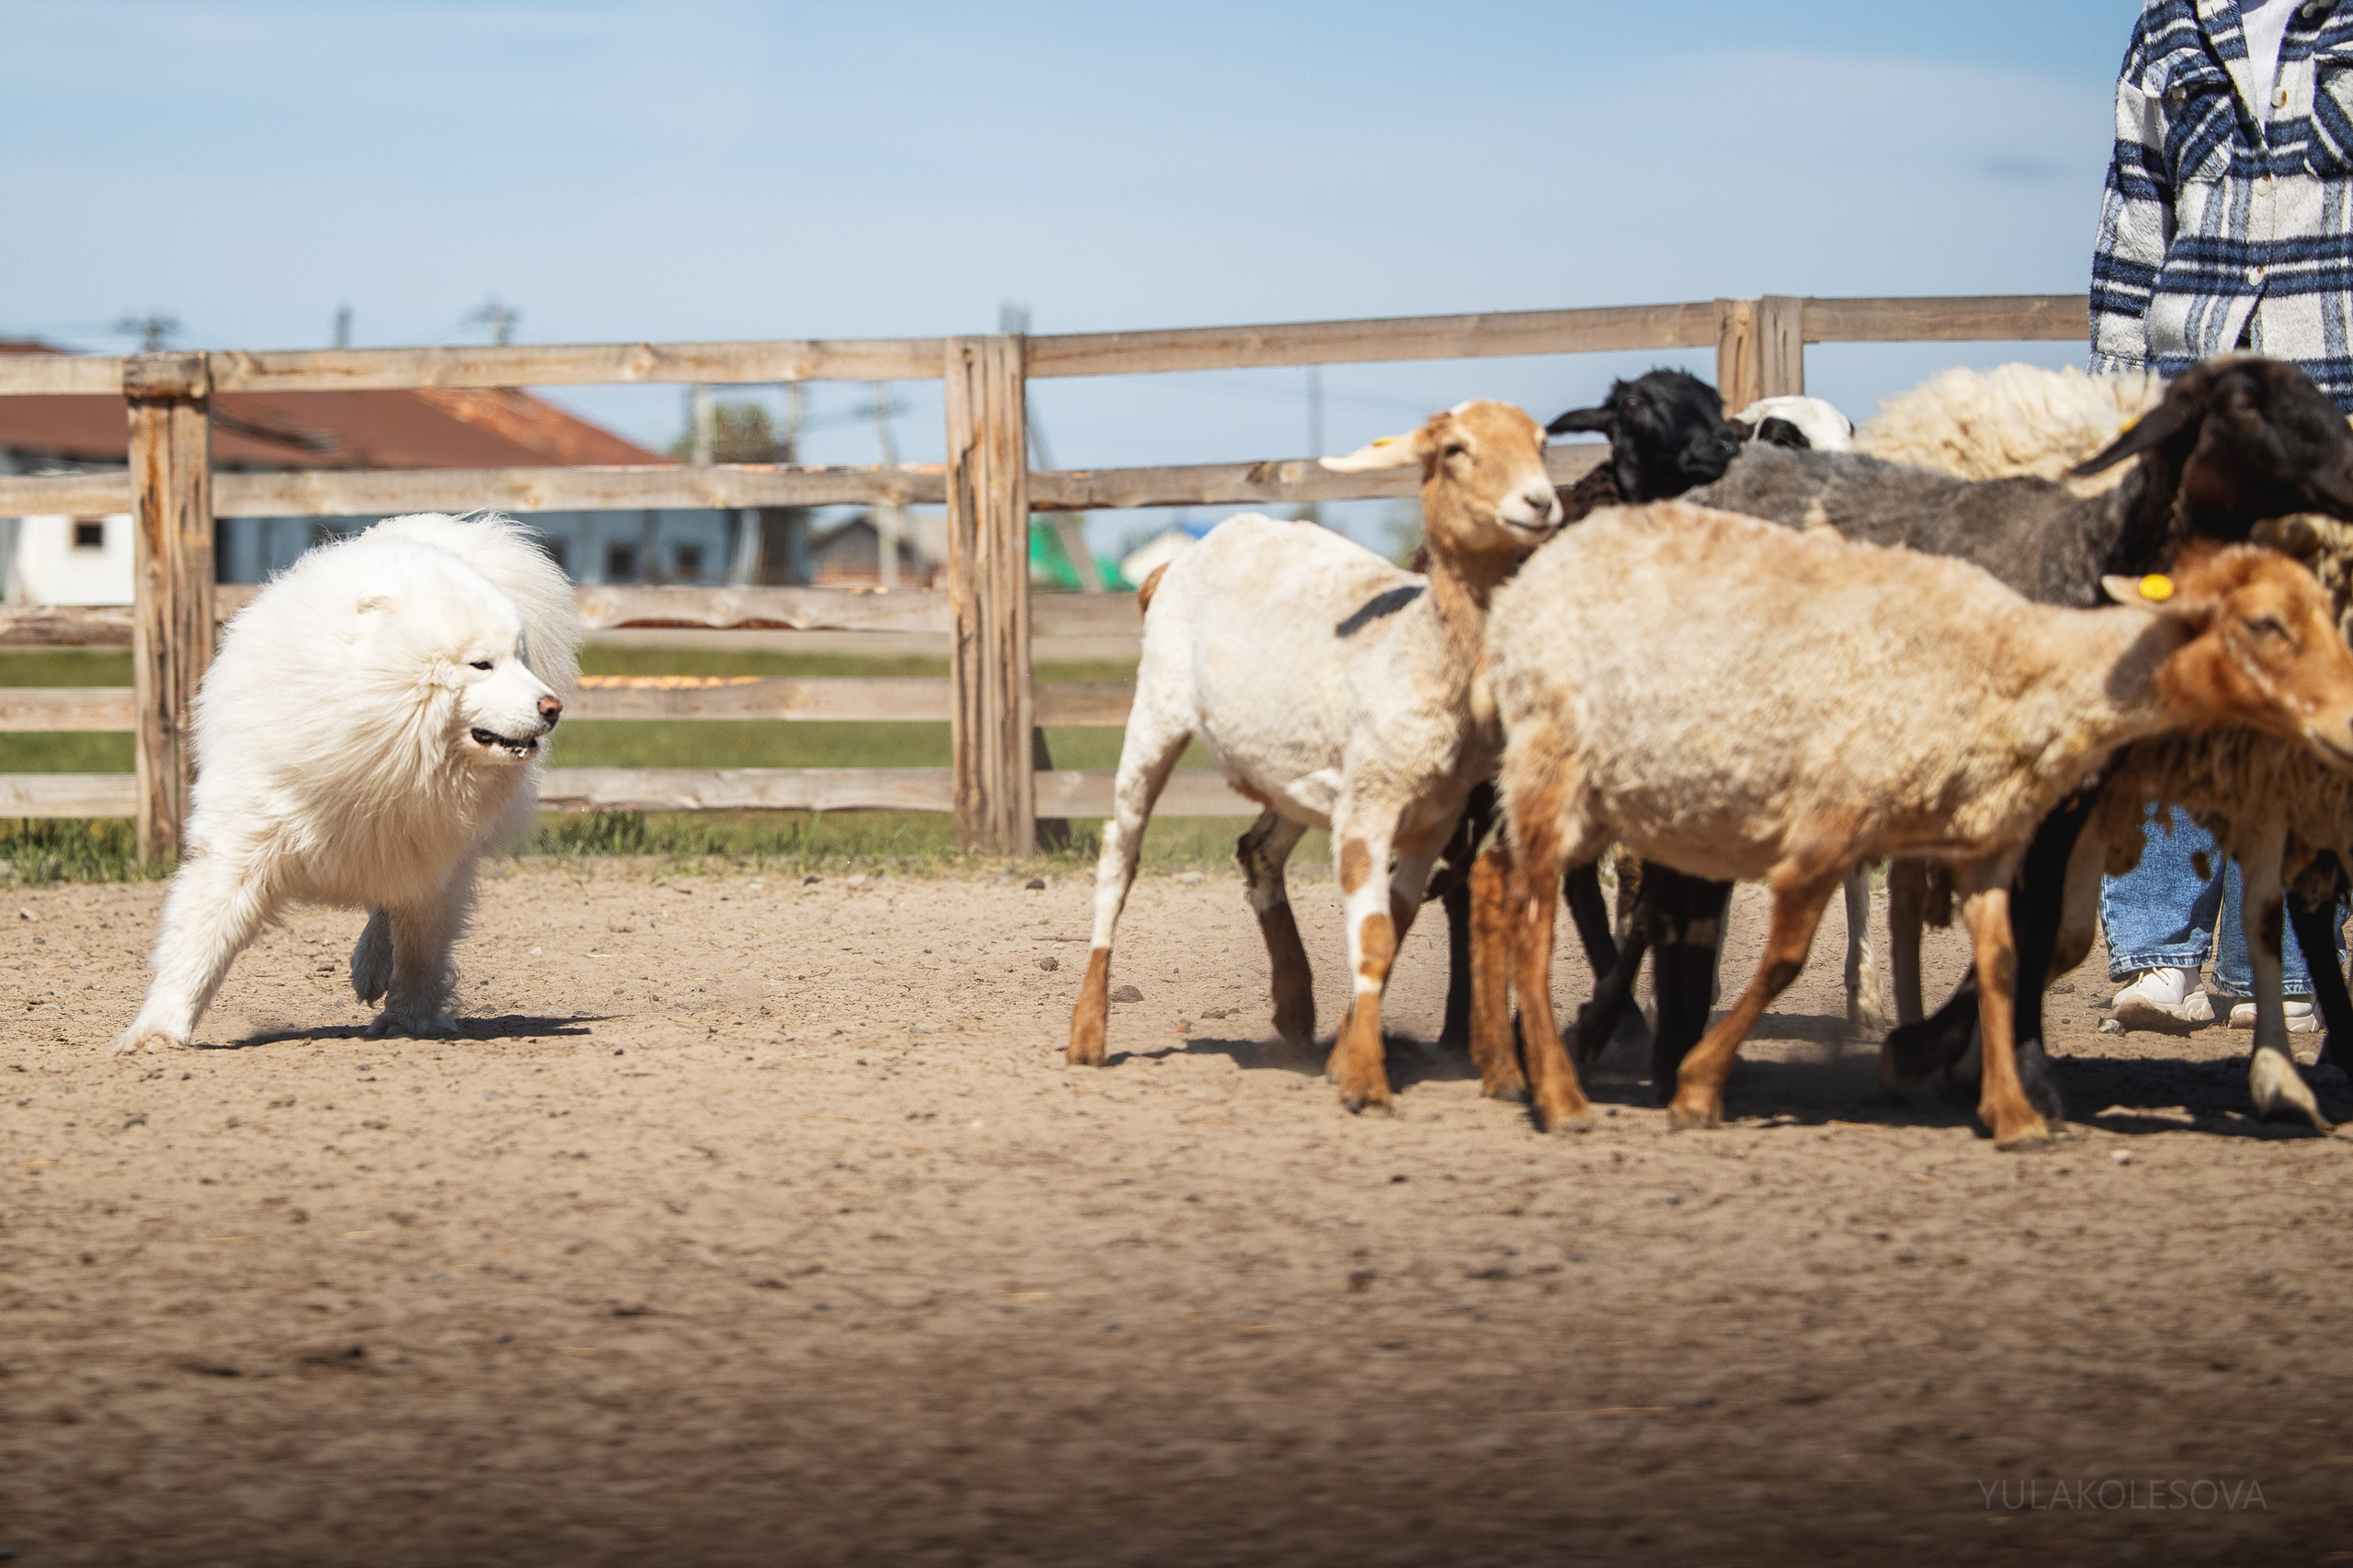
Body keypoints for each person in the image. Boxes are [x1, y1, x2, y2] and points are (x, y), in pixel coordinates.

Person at [2089, 0, 2351, 1033]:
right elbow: (2131, 219)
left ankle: (2279, 963)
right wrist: (2118, 404)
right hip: (2193, 387)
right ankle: (2156, 951)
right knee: (2176, 651)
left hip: (2328, 395)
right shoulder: (2168, 28)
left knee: (2308, 663)